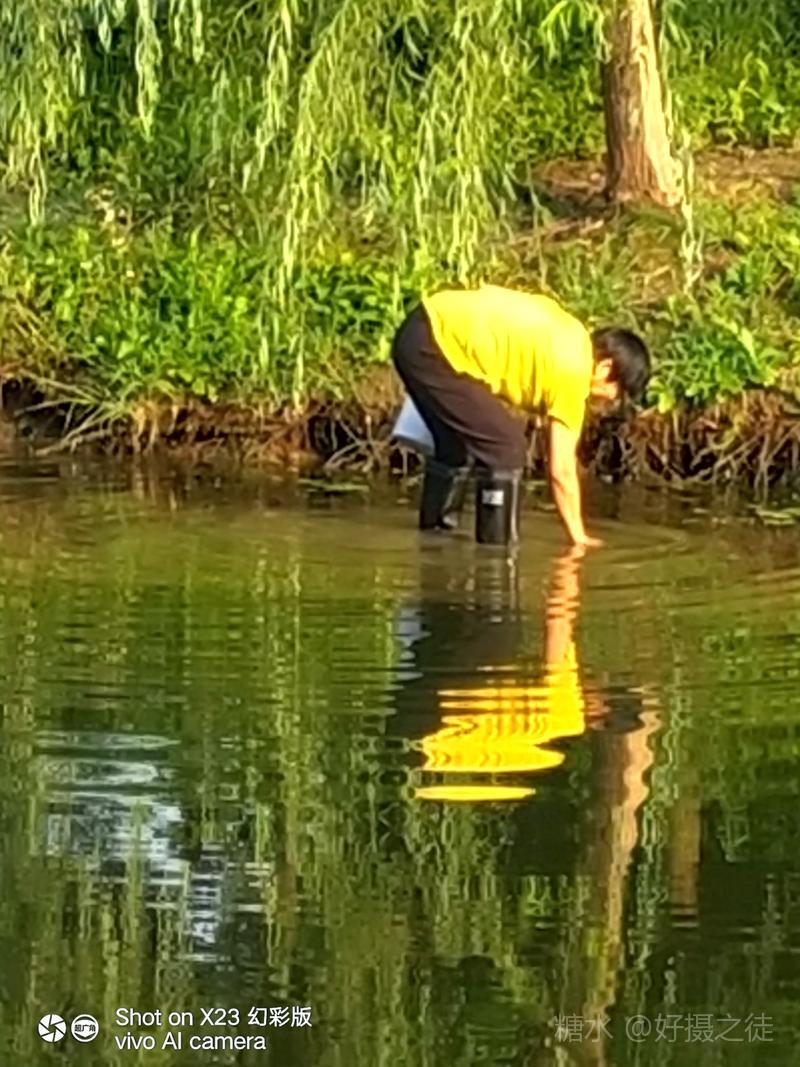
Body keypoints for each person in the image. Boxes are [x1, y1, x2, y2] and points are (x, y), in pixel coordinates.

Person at [391, 284, 651, 548]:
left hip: (421, 329)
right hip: (435, 346)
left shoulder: (573, 336)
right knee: (505, 447)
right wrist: (578, 538)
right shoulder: (574, 372)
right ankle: (495, 557)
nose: (609, 402)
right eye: (617, 393)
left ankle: (433, 543)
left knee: (456, 445)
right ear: (605, 367)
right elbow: (561, 470)